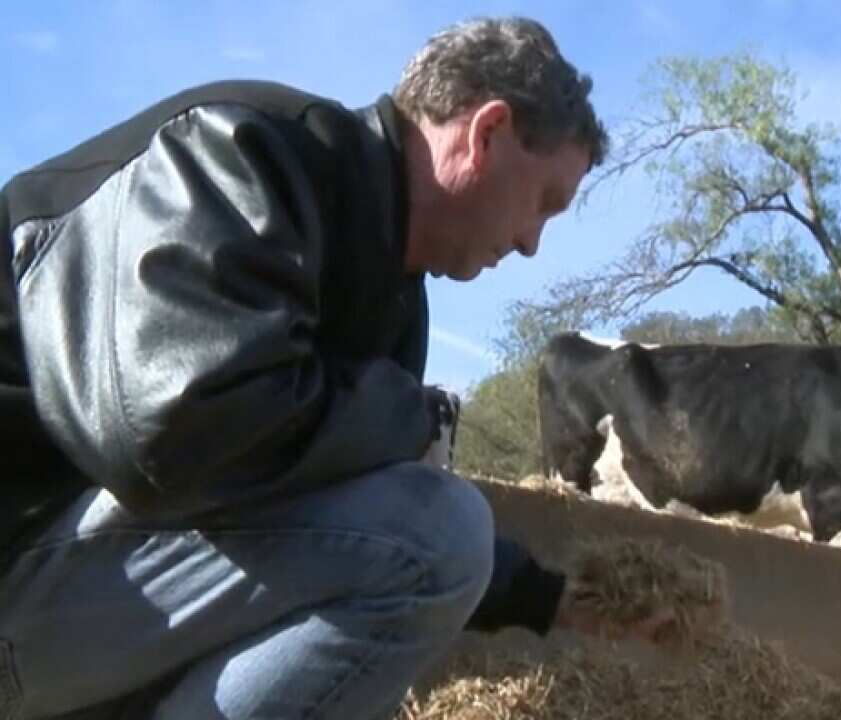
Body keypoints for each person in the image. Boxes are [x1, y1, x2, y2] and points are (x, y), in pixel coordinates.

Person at [0, 16, 638, 720]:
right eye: (544, 203)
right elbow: (170, 435)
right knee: (442, 532)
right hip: (22, 558)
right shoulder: (243, 153)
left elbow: (334, 512)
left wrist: (542, 595)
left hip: (67, 592)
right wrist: (409, 417)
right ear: (486, 133)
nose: (531, 244)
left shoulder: (389, 293)